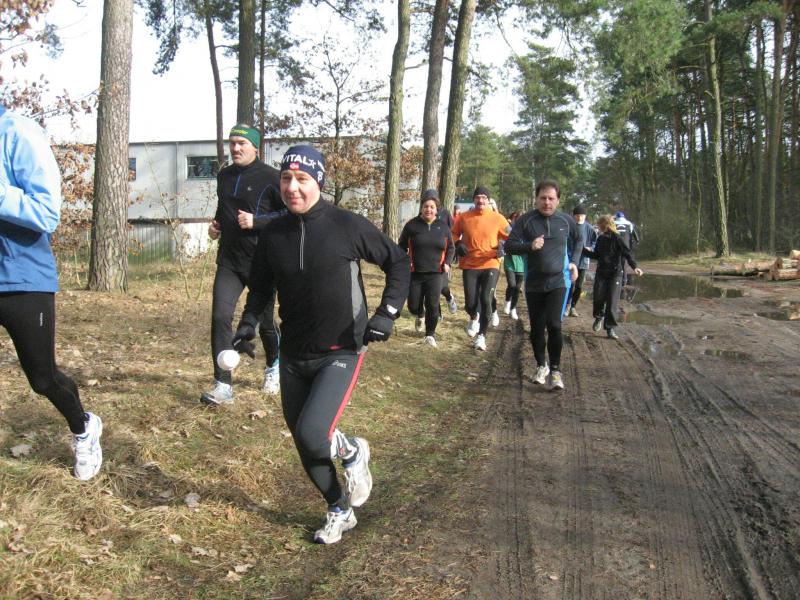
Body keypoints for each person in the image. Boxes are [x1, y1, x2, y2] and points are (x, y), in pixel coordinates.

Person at [232, 145, 410, 545]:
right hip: (294, 352)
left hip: (341, 348)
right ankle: (338, 509)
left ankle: (351, 452)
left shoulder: (346, 224)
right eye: (286, 179)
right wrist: (246, 325)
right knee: (303, 439)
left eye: (302, 179)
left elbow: (398, 261)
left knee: (314, 433)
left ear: (319, 182)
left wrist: (387, 313)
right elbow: (260, 288)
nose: (292, 187)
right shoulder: (272, 234)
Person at [0, 103, 102, 480]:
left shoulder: (18, 132)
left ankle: (84, 427)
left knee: (42, 378)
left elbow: (47, 212)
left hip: (21, 278)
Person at [201, 124, 285, 405]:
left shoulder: (272, 177)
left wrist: (257, 221)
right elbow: (222, 208)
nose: (236, 148)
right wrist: (216, 226)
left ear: (255, 147)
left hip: (262, 263)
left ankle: (273, 367)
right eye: (233, 143)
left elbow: (288, 214)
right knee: (220, 317)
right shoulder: (224, 175)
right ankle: (223, 385)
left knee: (265, 323)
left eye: (242, 143)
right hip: (229, 261)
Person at [505, 180, 583, 391]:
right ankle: (541, 366)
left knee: (554, 324)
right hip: (534, 283)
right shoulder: (526, 221)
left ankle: (556, 371)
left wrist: (574, 262)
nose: (547, 202)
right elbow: (509, 246)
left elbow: (579, 240)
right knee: (537, 328)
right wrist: (529, 246)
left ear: (558, 200)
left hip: (559, 281)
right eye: (543, 198)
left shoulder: (565, 221)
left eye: (551, 198)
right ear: (536, 199)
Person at [451, 186, 510, 351]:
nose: (481, 200)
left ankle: (481, 336)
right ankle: (473, 316)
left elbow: (512, 235)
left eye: (484, 197)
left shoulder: (498, 218)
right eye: (478, 197)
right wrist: (458, 243)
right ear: (474, 199)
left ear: (488, 200)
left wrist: (503, 246)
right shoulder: (464, 217)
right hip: (470, 264)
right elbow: (453, 233)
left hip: (491, 262)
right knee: (470, 303)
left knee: (485, 298)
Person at [398, 191, 454, 347]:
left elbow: (451, 248)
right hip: (415, 272)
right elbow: (401, 246)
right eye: (426, 206)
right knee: (413, 306)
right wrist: (403, 262)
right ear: (421, 208)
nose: (428, 209)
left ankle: (430, 335)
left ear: (437, 209)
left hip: (436, 273)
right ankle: (420, 313)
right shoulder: (411, 225)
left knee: (433, 304)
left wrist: (447, 263)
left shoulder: (443, 227)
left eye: (432, 207)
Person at [582, 215, 643, 340]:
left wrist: (635, 267)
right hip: (601, 273)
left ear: (604, 225)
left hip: (615, 274)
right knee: (598, 298)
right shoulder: (600, 239)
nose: (598, 227)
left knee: (612, 302)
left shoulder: (618, 238)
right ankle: (599, 316)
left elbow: (627, 253)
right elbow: (597, 255)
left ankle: (610, 329)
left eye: (599, 225)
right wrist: (584, 251)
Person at [567, 204, 597, 317]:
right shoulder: (570, 227)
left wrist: (591, 248)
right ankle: (567, 305)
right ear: (574, 216)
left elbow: (596, 242)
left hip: (583, 260)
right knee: (570, 284)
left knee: (579, 286)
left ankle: (573, 307)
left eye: (582, 215)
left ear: (585, 216)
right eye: (577, 215)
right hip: (571, 260)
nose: (580, 217)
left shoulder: (589, 228)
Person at [433, 192, 458, 315]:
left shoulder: (445, 213)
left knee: (442, 288)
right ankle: (437, 314)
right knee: (433, 288)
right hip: (428, 257)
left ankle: (449, 297)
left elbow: (452, 232)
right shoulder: (423, 214)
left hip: (443, 257)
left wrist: (448, 259)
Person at [502, 211, 525, 321]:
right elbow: (503, 239)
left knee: (517, 287)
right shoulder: (509, 229)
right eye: (518, 219)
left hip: (521, 262)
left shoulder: (528, 231)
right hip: (510, 261)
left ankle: (513, 308)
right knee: (512, 284)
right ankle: (507, 301)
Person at [613, 209, 640, 288]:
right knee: (624, 263)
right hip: (626, 246)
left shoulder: (613, 223)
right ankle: (624, 280)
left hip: (615, 247)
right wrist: (637, 241)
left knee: (615, 263)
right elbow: (634, 235)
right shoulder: (629, 224)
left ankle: (615, 280)